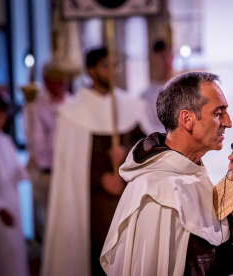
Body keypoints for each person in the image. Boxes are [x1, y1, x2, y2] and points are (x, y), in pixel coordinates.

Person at [100, 72, 233, 276]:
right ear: (187, 119)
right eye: (218, 113)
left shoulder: (192, 172)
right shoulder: (157, 192)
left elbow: (222, 256)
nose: (228, 123)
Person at [42, 48, 152, 276]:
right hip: (93, 202)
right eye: (105, 66)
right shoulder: (73, 112)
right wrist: (101, 178)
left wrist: (127, 152)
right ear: (91, 71)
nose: (112, 72)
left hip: (129, 197)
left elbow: (149, 146)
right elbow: (70, 166)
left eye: (115, 65)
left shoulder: (130, 106)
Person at [25, 62, 70, 243]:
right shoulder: (35, 106)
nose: (60, 85)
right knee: (49, 226)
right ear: (45, 80)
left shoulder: (72, 102)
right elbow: (37, 143)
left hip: (68, 172)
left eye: (63, 81)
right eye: (55, 81)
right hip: (47, 173)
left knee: (68, 224)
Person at [0, 91, 29, 276]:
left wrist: (28, 166)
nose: (1, 119)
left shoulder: (6, 140)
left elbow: (17, 172)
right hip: (0, 211)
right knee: (3, 256)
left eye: (3, 115)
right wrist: (0, 208)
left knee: (15, 252)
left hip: (12, 203)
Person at [140, 39, 174, 132]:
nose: (166, 62)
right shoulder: (145, 97)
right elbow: (148, 129)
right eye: (162, 58)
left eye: (168, 56)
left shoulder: (184, 90)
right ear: (154, 61)